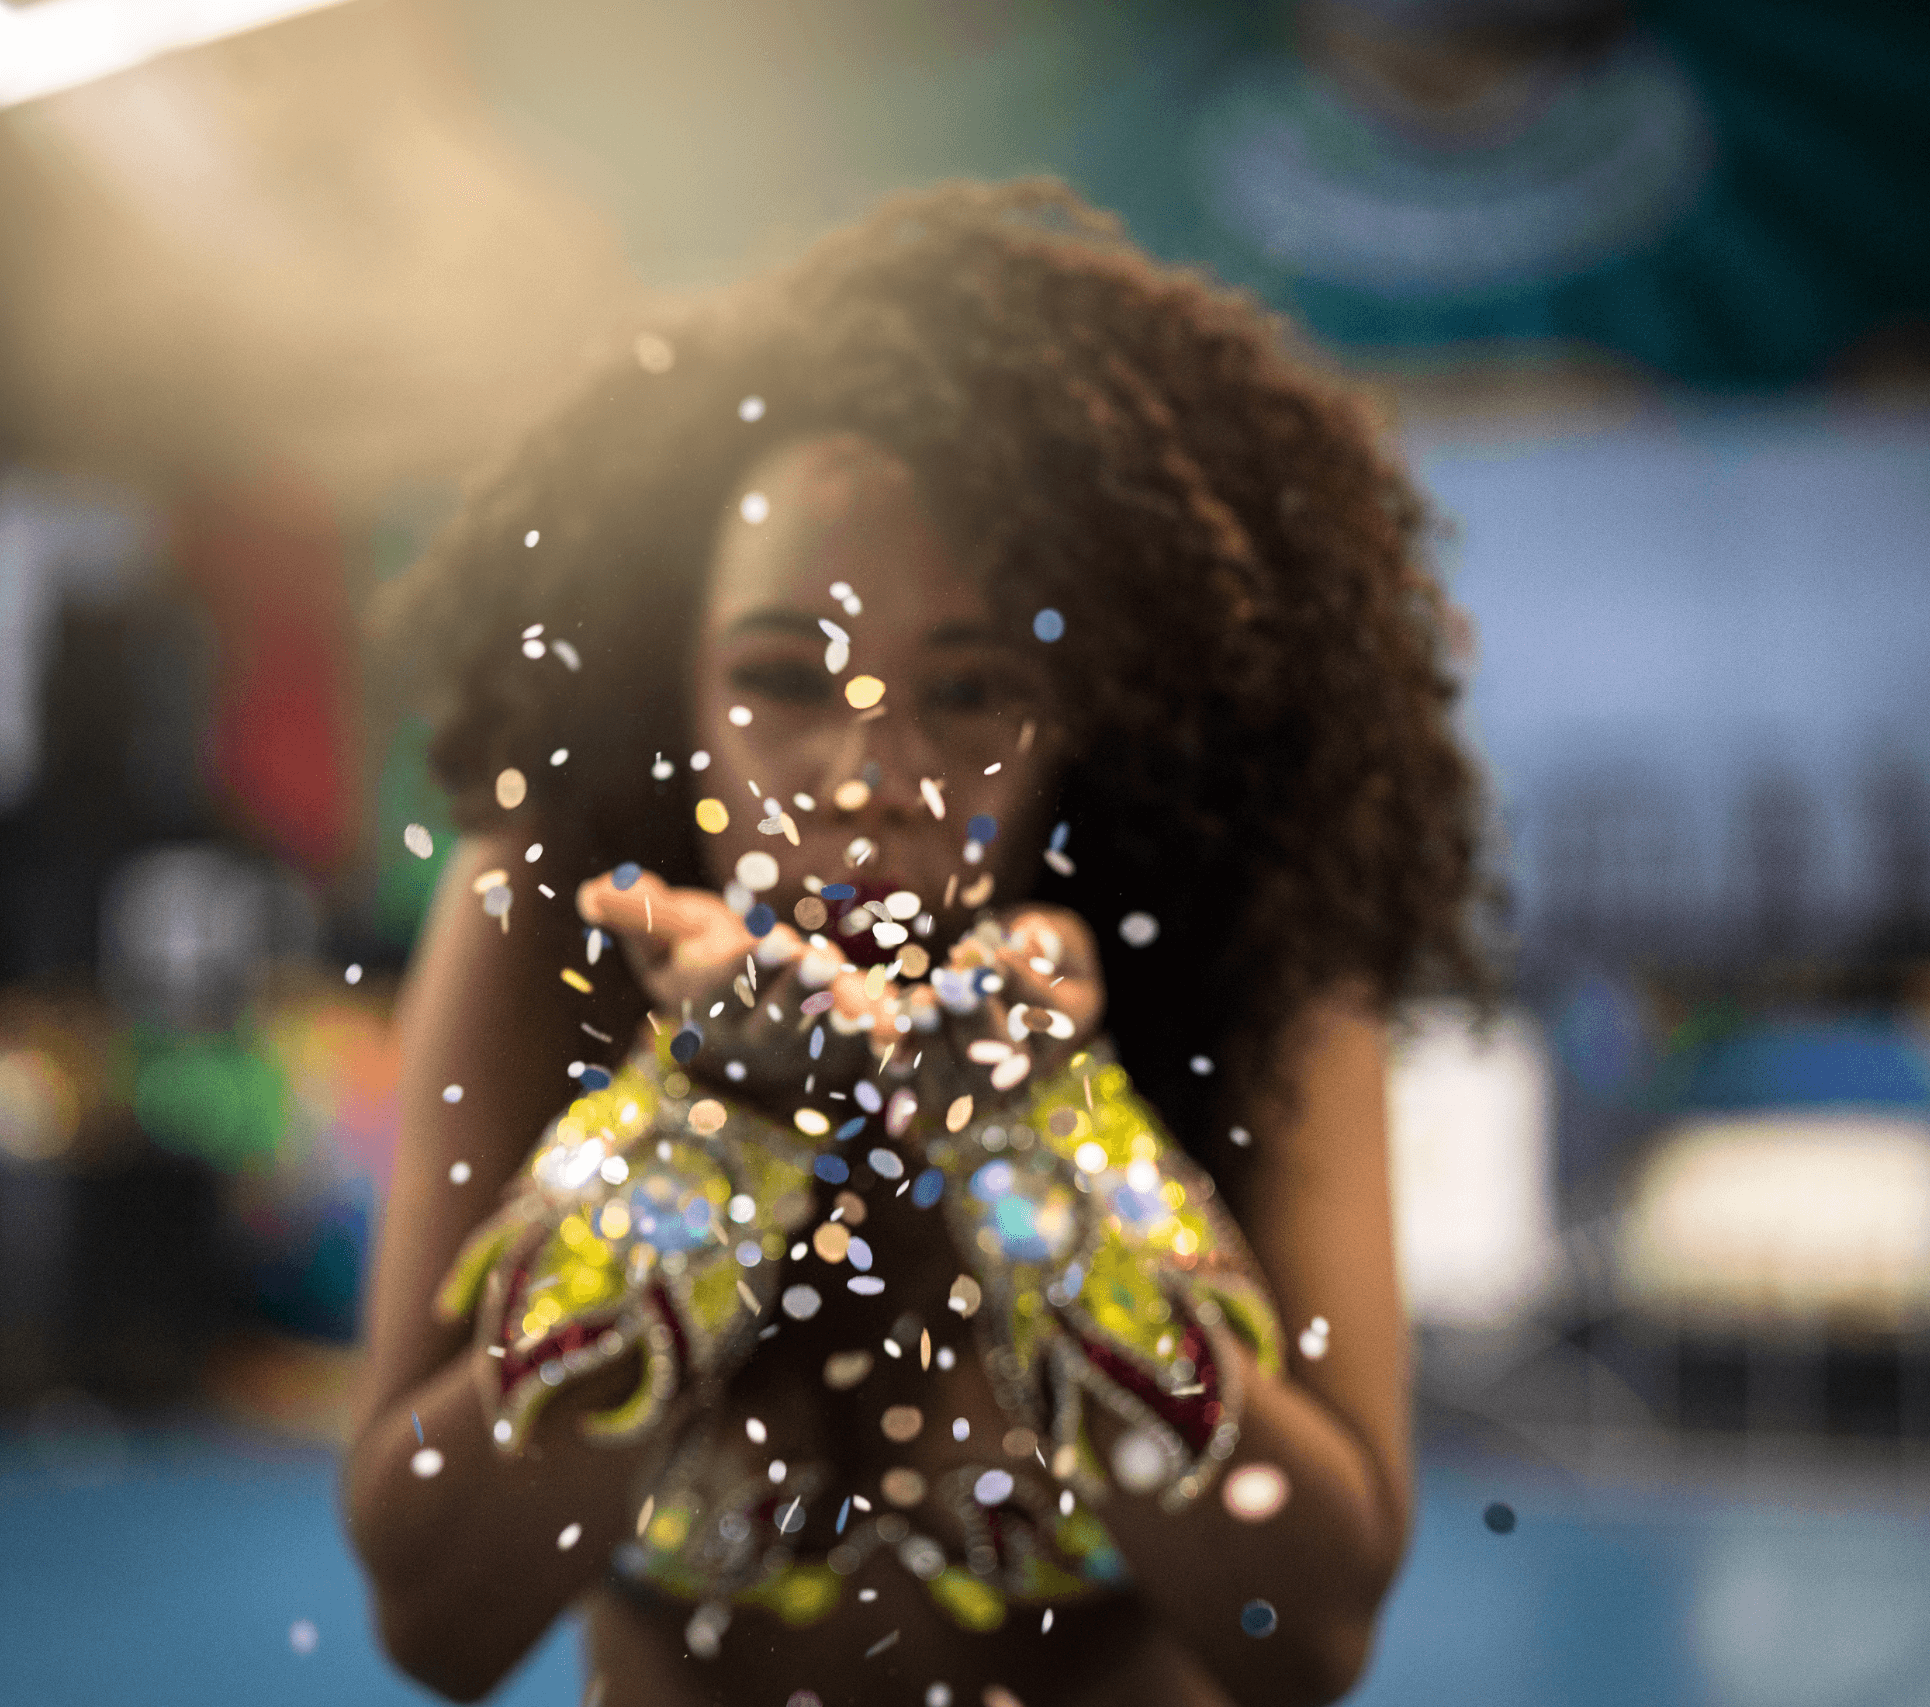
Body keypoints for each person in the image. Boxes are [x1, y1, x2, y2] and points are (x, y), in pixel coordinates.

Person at [346, 180, 1489, 1707]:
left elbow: (1308, 1630)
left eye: (966, 693)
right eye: (780, 680)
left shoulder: (1249, 939)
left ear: (1101, 715)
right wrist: (710, 1128)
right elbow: (439, 1621)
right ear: (662, 686)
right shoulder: (550, 916)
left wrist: (1037, 1144)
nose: (867, 777)